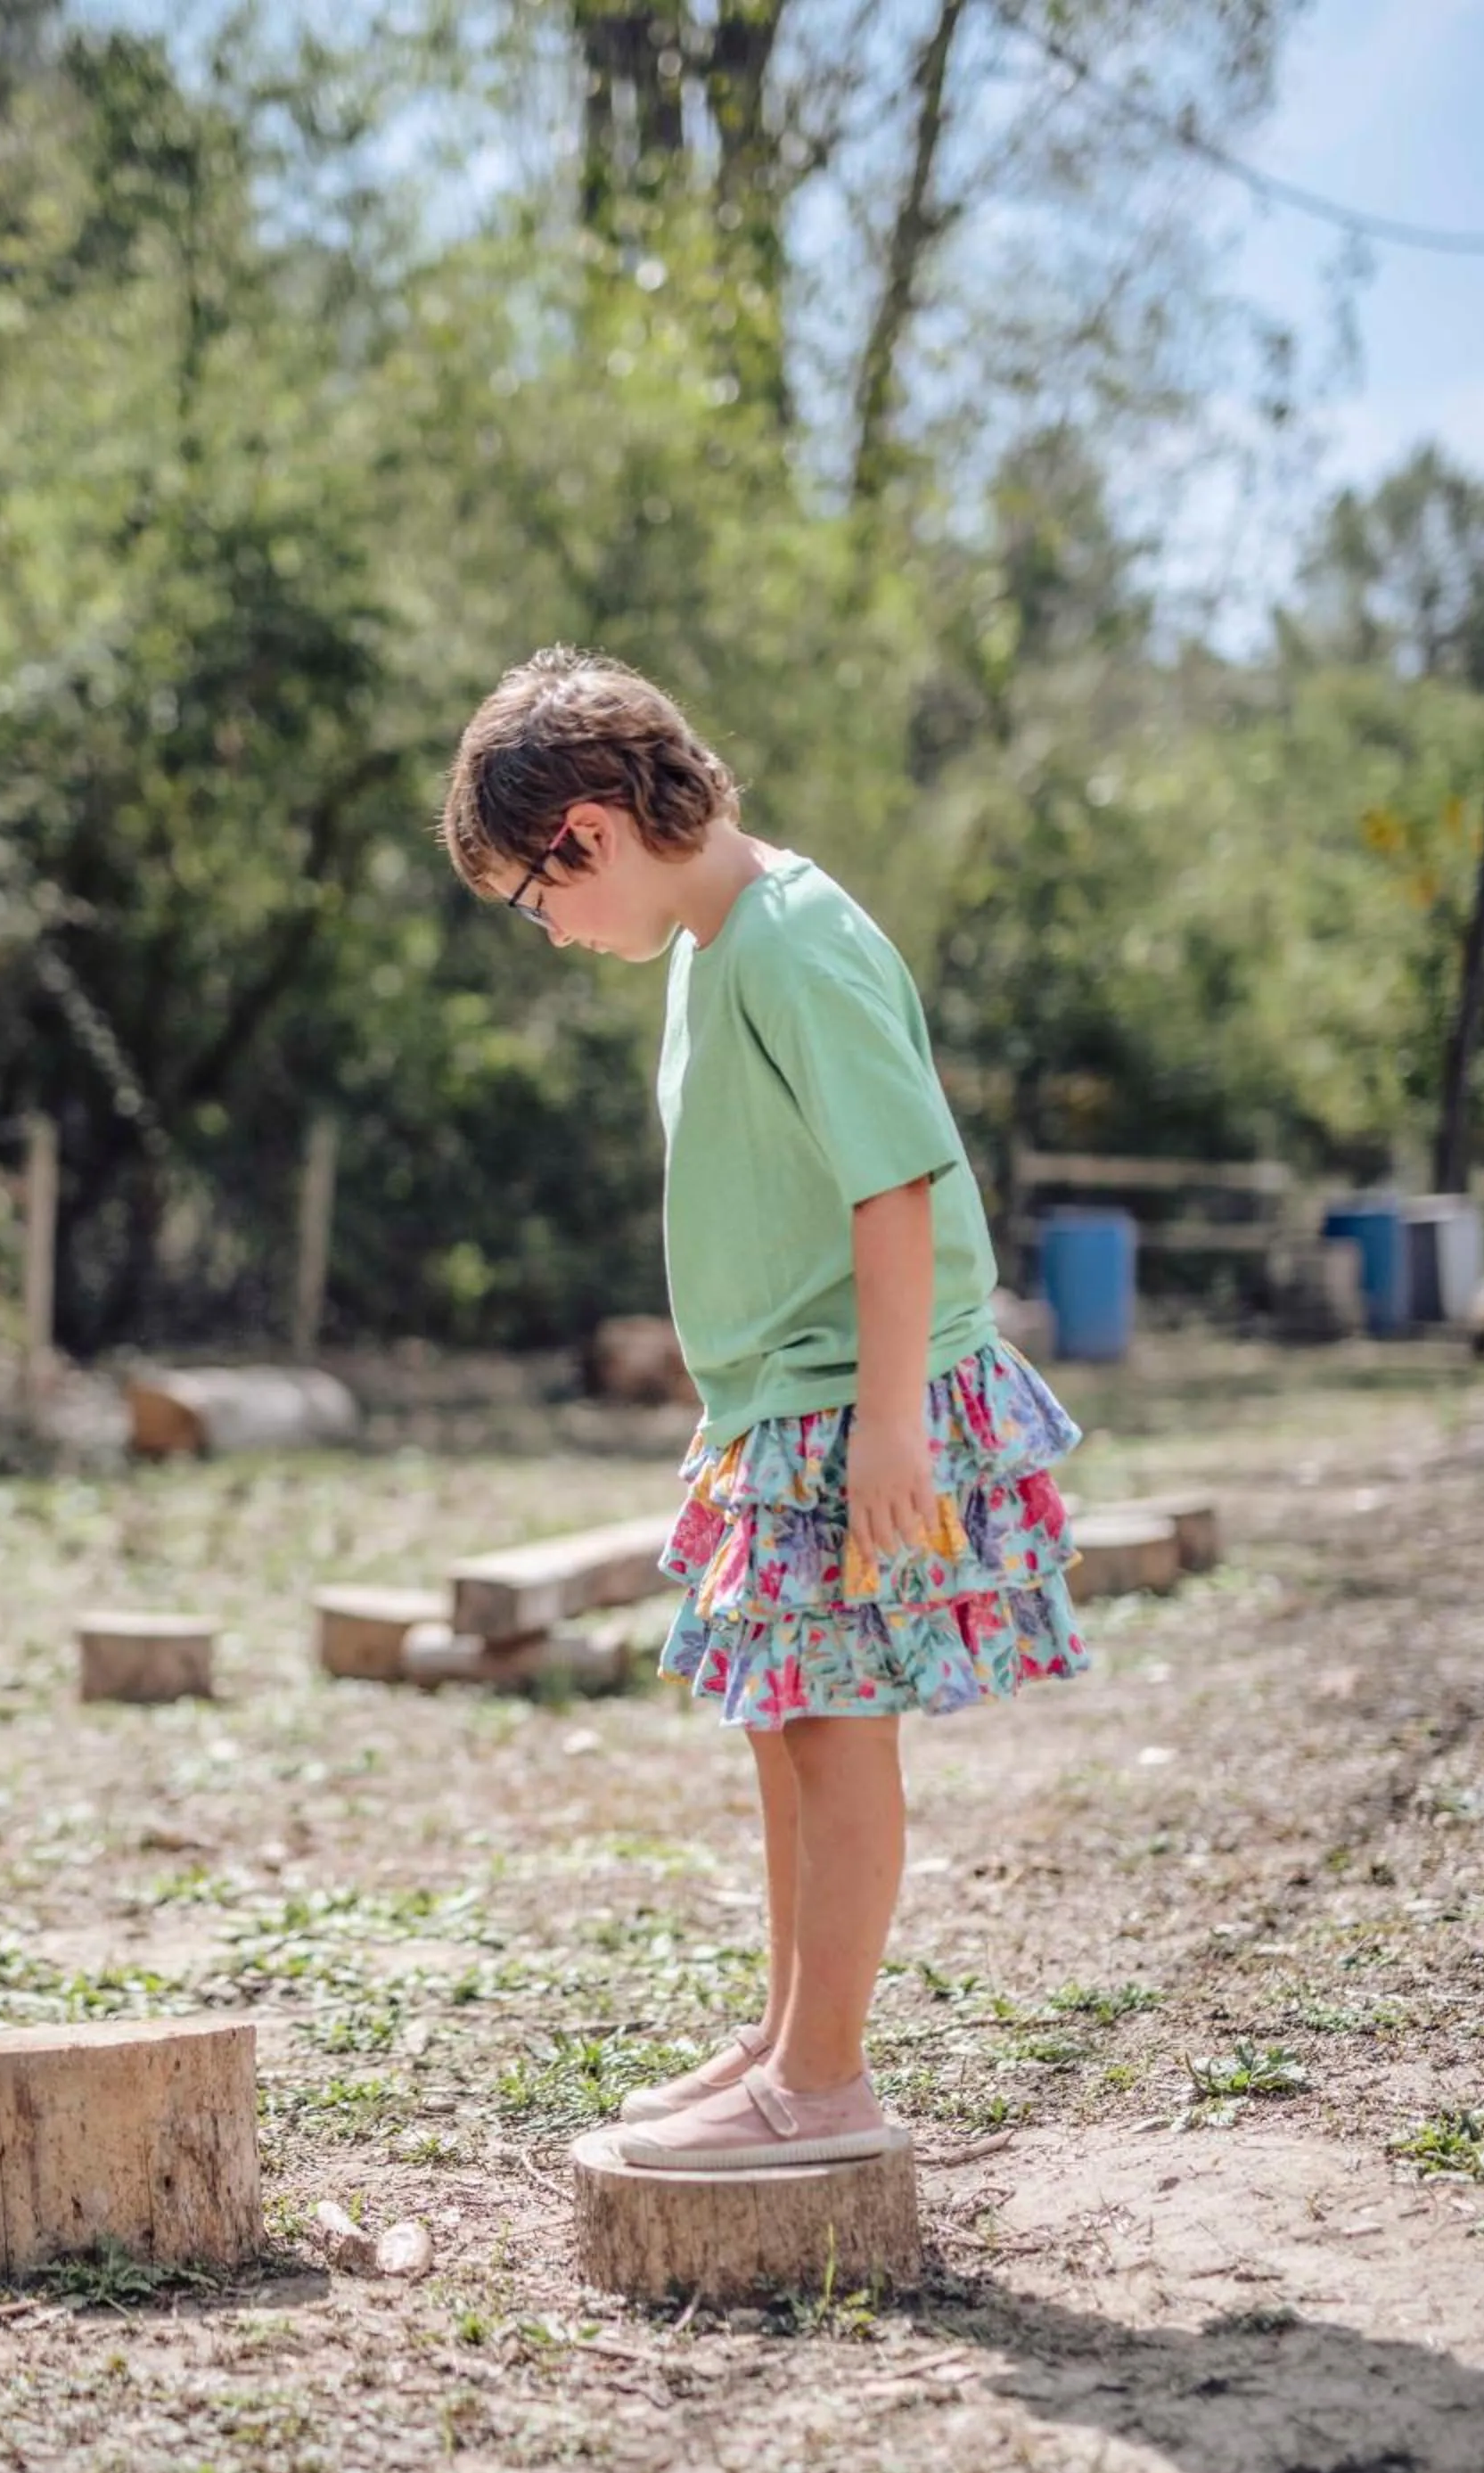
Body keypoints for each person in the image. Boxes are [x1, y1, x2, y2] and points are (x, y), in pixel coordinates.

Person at [440, 648, 1086, 2172]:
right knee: (785, 1725)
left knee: (838, 1729)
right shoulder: (711, 942)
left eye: (539, 898)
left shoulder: (792, 943)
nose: (551, 931)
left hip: (855, 1405)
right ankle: (790, 2036)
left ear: (589, 830)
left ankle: (826, 2081)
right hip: (777, 1411)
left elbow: (899, 1186)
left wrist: (888, 1426)